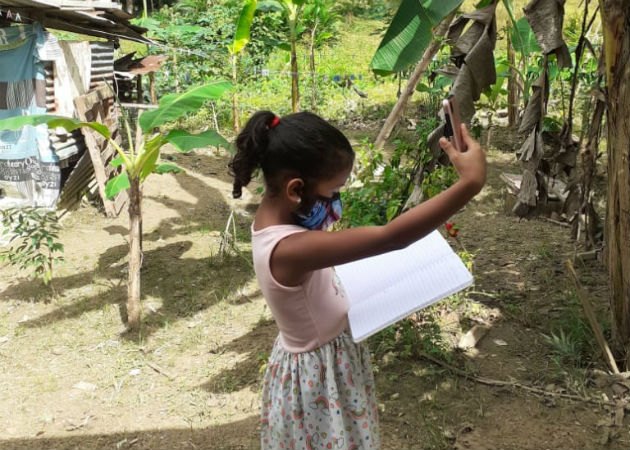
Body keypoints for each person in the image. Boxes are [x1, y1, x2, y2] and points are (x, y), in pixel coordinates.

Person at [229, 110, 486, 450]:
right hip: (319, 379)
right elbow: (390, 238)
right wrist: (469, 184)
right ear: (295, 190)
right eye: (334, 191)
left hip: (323, 362)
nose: (336, 203)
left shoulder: (278, 219)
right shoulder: (289, 250)